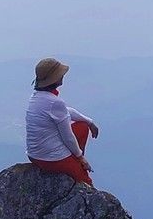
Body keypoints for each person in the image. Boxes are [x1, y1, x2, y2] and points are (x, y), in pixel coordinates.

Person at [26, 56, 99, 185]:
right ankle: (75, 162)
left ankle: (74, 160)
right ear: (54, 79)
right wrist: (81, 158)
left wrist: (89, 122)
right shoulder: (54, 102)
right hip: (51, 158)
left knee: (82, 126)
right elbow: (68, 137)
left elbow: (66, 111)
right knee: (85, 182)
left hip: (34, 155)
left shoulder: (37, 97)